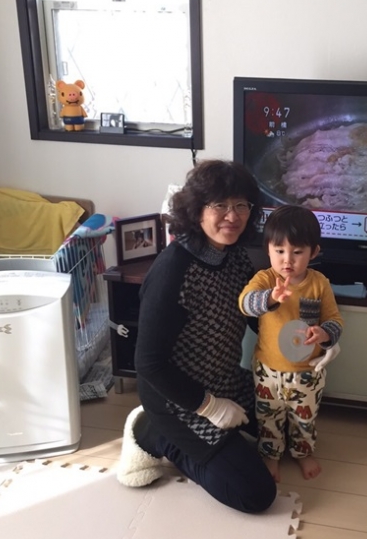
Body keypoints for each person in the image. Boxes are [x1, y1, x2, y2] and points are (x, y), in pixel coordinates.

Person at [116, 159, 277, 514]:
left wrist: (301, 336)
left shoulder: (235, 257)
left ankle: (216, 437)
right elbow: (148, 363)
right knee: (255, 494)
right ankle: (151, 432)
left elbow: (253, 317)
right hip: (176, 398)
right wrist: (211, 408)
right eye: (220, 205)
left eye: (241, 205)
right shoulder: (173, 269)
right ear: (197, 210)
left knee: (288, 430)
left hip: (224, 379)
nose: (232, 216)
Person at [239, 205, 343, 482]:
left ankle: (303, 451)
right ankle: (271, 454)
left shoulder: (319, 283)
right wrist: (271, 298)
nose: (288, 260)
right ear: (268, 249)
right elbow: (245, 304)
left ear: (314, 252)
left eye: (297, 252)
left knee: (304, 418)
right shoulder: (265, 279)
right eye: (279, 251)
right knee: (268, 416)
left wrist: (324, 333)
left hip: (307, 371)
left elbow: (334, 319)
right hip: (268, 370)